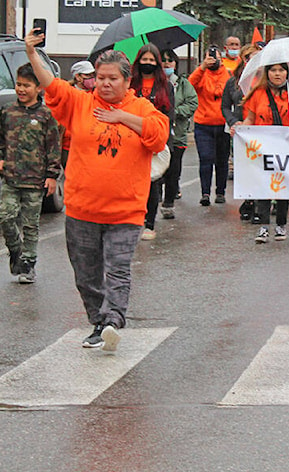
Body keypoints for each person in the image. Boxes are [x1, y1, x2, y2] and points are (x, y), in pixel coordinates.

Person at [23, 33, 169, 352]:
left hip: (126, 212)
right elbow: (51, 85)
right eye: (100, 78)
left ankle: (113, 319)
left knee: (117, 269)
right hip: (82, 209)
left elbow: (158, 136)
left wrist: (122, 117)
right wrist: (32, 53)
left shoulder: (142, 108)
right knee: (86, 275)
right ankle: (99, 322)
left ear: (126, 81)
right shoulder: (80, 103)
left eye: (112, 79)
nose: (105, 84)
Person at [0, 63, 60, 283]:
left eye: (26, 85)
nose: (21, 89)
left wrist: (52, 176)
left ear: (38, 88)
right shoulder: (8, 112)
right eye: (18, 85)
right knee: (5, 217)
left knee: (31, 224)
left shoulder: (45, 116)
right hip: (11, 178)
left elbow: (53, 147)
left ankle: (28, 264)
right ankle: (16, 250)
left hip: (35, 179)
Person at [241, 63, 289, 242]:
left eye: (281, 70)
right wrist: (241, 129)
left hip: (287, 144)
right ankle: (264, 226)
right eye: (273, 70)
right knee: (264, 184)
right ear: (267, 73)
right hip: (263, 145)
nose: (277, 74)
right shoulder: (258, 93)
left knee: (283, 185)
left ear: (287, 72)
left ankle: (281, 225)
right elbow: (250, 117)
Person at [131, 44, 176, 239]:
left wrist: (161, 139)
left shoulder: (165, 86)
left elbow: (169, 114)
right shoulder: (130, 83)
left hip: (157, 139)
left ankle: (150, 224)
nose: (147, 64)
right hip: (132, 140)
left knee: (152, 183)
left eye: (151, 60)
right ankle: (133, 219)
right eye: (144, 60)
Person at [190, 45, 231, 206]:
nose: (213, 60)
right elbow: (190, 85)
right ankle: (205, 193)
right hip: (203, 124)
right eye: (210, 57)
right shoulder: (201, 74)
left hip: (223, 124)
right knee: (206, 159)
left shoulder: (227, 74)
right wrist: (202, 67)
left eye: (216, 57)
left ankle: (220, 192)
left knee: (222, 160)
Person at [223, 43, 261, 220]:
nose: (251, 61)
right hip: (241, 132)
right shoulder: (233, 81)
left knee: (261, 167)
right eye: (248, 58)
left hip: (262, 129)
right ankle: (249, 200)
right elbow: (224, 106)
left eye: (256, 58)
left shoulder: (265, 79)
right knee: (244, 167)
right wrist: (233, 121)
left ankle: (263, 202)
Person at [159, 49, 198, 219]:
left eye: (170, 61)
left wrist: (175, 112)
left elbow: (192, 103)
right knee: (157, 170)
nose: (167, 64)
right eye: (164, 61)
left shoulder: (182, 84)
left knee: (173, 170)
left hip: (177, 133)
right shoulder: (154, 83)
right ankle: (155, 199)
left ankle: (169, 203)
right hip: (158, 133)